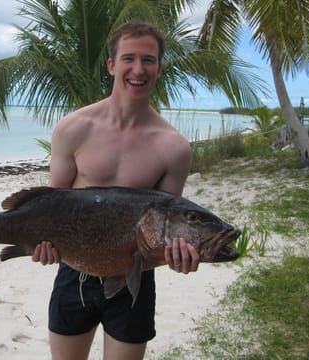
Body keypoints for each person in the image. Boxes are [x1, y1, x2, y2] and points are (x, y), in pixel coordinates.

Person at [32, 21, 201, 360]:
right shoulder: (73, 129)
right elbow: (52, 207)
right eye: (128, 58)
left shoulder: (174, 148)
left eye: (149, 60)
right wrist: (43, 243)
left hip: (134, 282)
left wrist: (180, 255)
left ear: (159, 68)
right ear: (111, 65)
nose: (138, 69)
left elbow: (165, 230)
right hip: (74, 273)